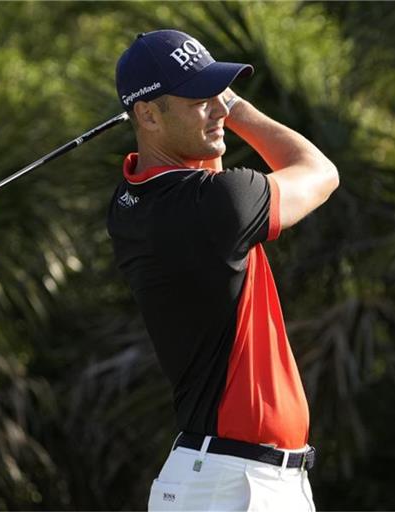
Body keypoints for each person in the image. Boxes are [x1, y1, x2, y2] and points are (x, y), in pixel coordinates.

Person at [108, 29, 339, 511]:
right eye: (199, 99)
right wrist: (238, 107)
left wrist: (202, 105)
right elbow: (319, 170)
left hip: (226, 477)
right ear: (147, 115)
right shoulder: (216, 207)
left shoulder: (131, 205)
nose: (217, 109)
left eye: (218, 94)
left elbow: (199, 161)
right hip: (235, 485)